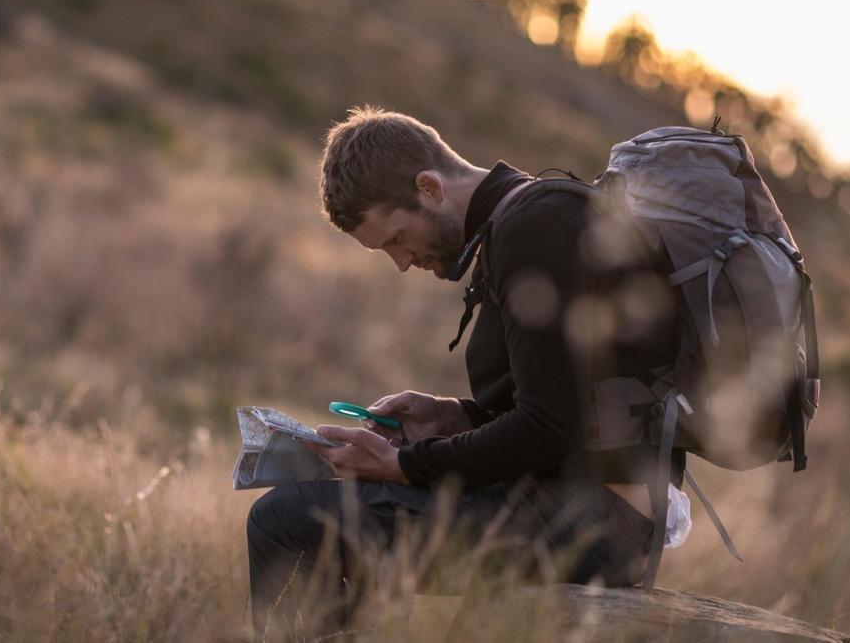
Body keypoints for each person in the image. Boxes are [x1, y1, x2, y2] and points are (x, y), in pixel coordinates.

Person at [246, 107, 675, 639]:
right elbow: (569, 404)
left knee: (284, 521)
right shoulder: (527, 219)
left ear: (429, 187)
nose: (402, 262)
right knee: (317, 516)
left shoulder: (536, 228)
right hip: (572, 505)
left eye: (398, 239)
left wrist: (404, 463)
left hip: (588, 523)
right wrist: (453, 416)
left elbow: (547, 429)